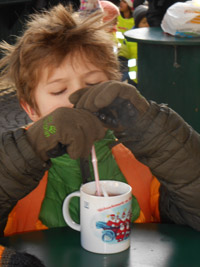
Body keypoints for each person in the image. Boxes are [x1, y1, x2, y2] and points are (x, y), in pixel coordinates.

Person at [0, 2, 199, 245]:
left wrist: (151, 128)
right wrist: (37, 142)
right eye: (59, 90)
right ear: (30, 108)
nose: (79, 99)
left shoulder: (143, 159)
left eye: (94, 84)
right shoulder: (16, 162)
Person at [118, 4, 149, 86]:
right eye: (144, 22)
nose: (147, 25)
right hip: (134, 81)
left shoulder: (154, 40)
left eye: (150, 22)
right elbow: (123, 60)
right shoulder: (129, 40)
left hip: (150, 80)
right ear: (137, 24)